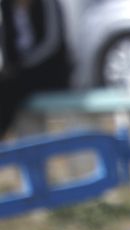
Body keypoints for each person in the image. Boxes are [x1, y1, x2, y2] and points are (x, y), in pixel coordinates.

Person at [0, 0, 72, 141]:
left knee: (10, 88)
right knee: (8, 85)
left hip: (49, 70)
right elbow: (6, 42)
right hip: (19, 74)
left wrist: (24, 66)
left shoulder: (48, 4)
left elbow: (52, 43)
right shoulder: (6, 5)